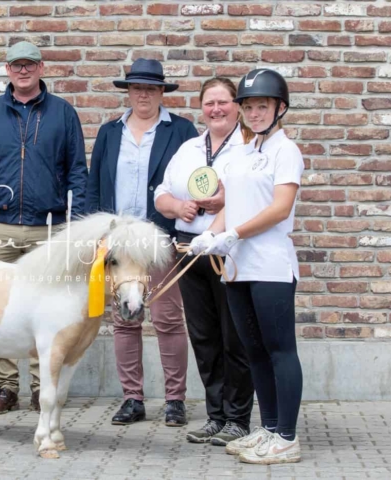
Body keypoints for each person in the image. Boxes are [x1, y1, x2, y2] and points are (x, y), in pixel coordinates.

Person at [190, 69, 304, 464]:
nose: (254, 113)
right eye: (249, 106)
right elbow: (231, 205)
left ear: (279, 108)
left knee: (279, 350)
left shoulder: (285, 151)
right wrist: (211, 233)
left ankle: (287, 437)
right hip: (238, 267)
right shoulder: (242, 151)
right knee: (254, 352)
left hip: (270, 266)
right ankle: (268, 429)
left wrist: (233, 233)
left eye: (262, 106)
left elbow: (279, 208)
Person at [0, 41, 88, 415]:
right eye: (17, 65)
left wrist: (77, 227)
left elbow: (77, 173)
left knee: (45, 308)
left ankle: (42, 387)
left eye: (30, 64)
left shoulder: (63, 114)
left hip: (47, 227)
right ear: (7, 69)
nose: (24, 71)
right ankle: (6, 388)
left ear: (41, 68)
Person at [87, 58, 198, 427]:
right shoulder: (109, 132)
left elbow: (191, 180)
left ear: (161, 92)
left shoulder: (181, 131)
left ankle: (175, 400)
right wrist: (96, 236)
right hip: (119, 243)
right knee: (125, 319)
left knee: (168, 320)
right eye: (137, 88)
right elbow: (95, 186)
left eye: (151, 88)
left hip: (161, 240)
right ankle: (132, 398)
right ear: (128, 92)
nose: (143, 95)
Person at [154, 77, 255, 446]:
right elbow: (161, 194)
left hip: (228, 253)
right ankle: (215, 416)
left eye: (223, 102)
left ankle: (238, 419)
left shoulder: (248, 147)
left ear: (237, 105)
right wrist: (179, 206)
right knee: (203, 337)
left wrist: (223, 203)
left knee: (234, 337)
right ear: (202, 108)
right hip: (188, 251)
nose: (216, 109)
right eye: (209, 103)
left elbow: (258, 196)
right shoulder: (189, 149)